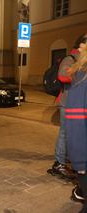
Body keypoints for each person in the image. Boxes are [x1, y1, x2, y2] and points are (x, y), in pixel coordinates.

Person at [47, 34, 87, 180]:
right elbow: (62, 75)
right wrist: (80, 73)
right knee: (65, 132)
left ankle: (69, 158)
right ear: (81, 45)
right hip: (68, 102)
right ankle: (59, 163)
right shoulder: (70, 58)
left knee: (74, 133)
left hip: (78, 102)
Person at [65, 39, 87, 212]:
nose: (79, 45)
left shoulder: (82, 79)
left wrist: (79, 161)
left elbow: (77, 120)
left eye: (84, 41)